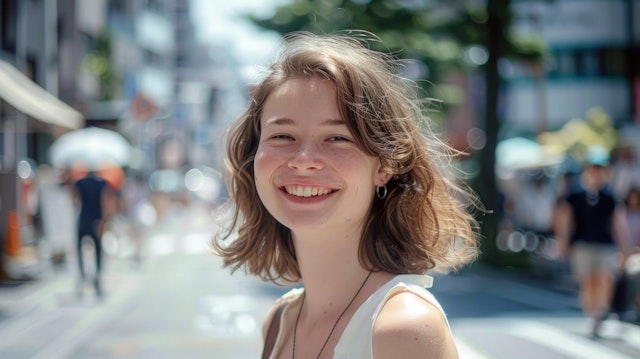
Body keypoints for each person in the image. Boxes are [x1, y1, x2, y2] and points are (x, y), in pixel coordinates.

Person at [213, 32, 481, 359]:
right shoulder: (279, 322)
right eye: (282, 135)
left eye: (337, 138)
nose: (303, 160)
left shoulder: (402, 328)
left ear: (384, 165)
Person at [554, 145, 630, 338]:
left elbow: (617, 222)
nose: (597, 172)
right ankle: (593, 314)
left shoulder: (610, 196)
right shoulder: (576, 193)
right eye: (593, 168)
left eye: (600, 169)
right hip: (582, 244)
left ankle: (600, 313)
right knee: (588, 282)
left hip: (605, 244)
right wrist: (563, 242)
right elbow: (566, 219)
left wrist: (624, 247)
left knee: (605, 278)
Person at [72, 169, 115, 298]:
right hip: (96, 220)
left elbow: (74, 200)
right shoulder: (101, 183)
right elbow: (105, 202)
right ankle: (97, 279)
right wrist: (105, 221)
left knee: (80, 249)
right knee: (97, 251)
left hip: (83, 219)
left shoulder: (79, 183)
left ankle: (82, 275)